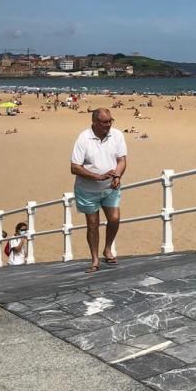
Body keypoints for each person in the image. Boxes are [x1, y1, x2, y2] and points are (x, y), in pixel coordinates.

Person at [71, 108, 127, 273]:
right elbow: (74, 167)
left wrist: (117, 175)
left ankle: (107, 248)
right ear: (94, 122)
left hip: (110, 187)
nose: (108, 125)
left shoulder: (117, 135)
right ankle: (95, 259)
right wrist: (97, 176)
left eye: (110, 121)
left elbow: (122, 160)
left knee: (115, 219)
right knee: (92, 225)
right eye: (104, 122)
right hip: (87, 190)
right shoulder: (84, 138)